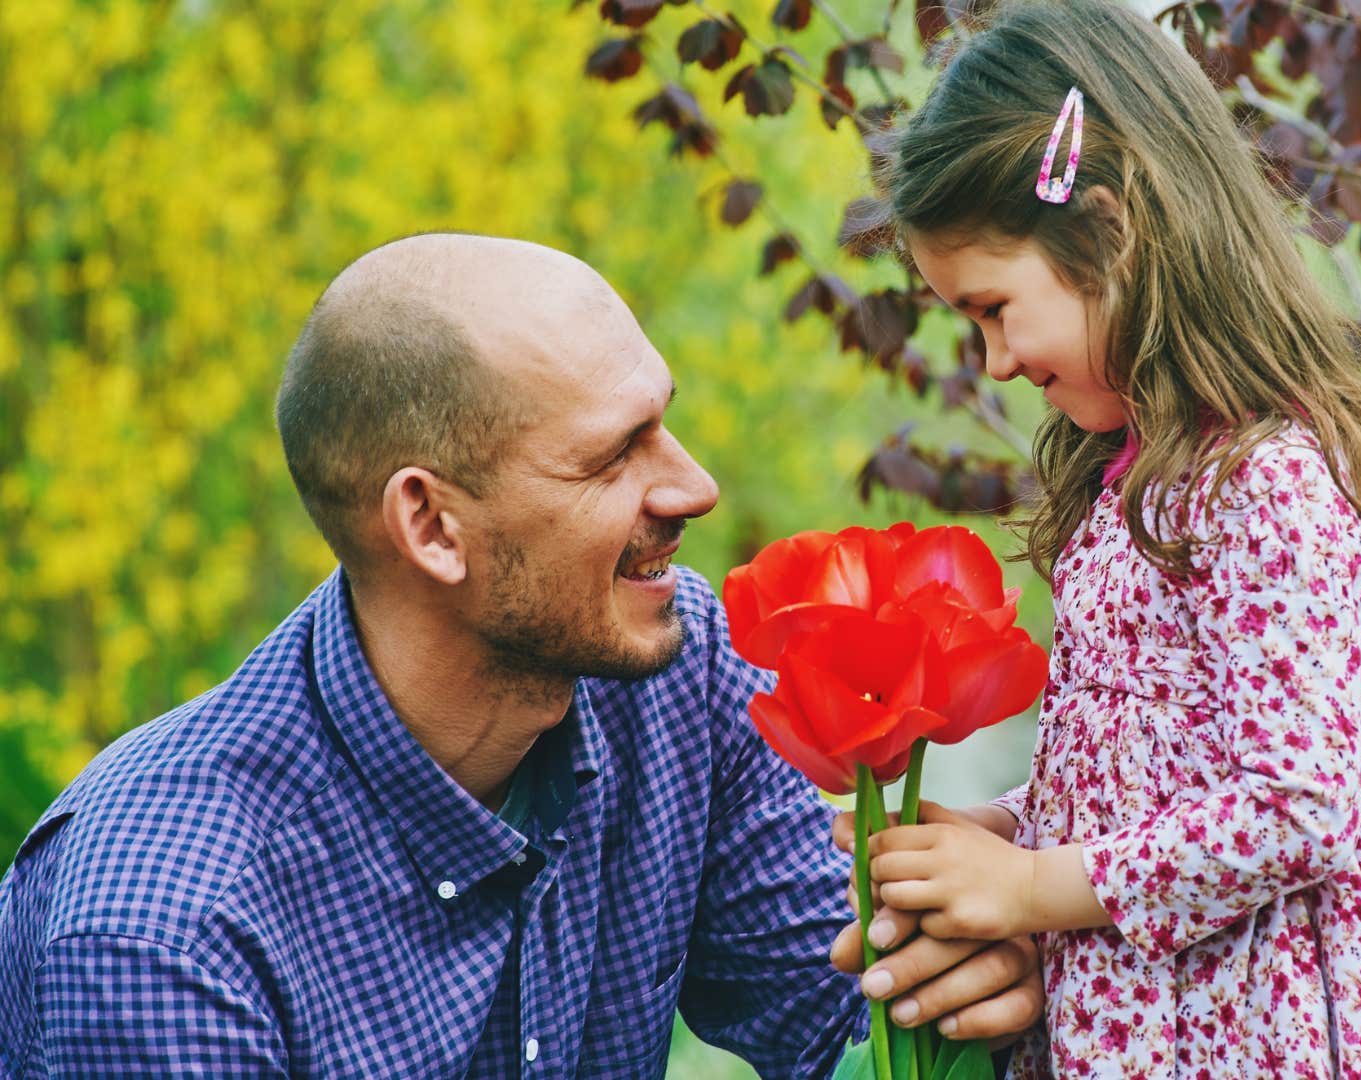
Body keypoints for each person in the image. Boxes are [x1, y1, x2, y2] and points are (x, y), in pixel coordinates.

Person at [0, 233, 1039, 1078]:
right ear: (432, 527)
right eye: (613, 454)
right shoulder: (162, 933)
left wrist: (963, 1000)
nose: (693, 488)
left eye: (662, 426)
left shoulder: (677, 671)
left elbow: (839, 1027)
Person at [837, 1, 1361, 1075]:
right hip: (1153, 1023)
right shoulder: (1136, 487)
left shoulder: (1265, 487)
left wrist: (1034, 890)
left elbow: (1298, 805)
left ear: (1112, 232)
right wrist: (1009, 830)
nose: (992, 361)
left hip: (1257, 1033)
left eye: (993, 308)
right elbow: (1154, 771)